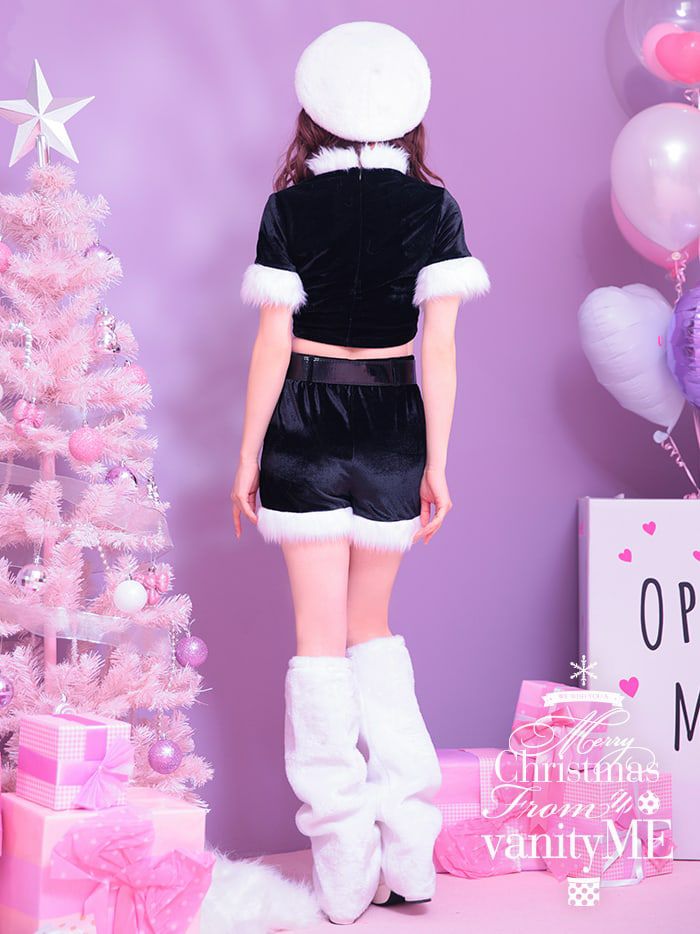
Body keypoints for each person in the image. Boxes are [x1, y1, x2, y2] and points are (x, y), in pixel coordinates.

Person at [232, 21, 490, 926]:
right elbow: (440, 353)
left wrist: (248, 455)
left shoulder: (289, 207)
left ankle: (343, 866)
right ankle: (409, 853)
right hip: (391, 424)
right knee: (371, 631)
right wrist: (438, 463)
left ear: (319, 110)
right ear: (406, 112)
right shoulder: (433, 208)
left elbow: (272, 344)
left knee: (318, 640)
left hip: (303, 419)